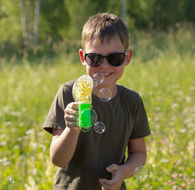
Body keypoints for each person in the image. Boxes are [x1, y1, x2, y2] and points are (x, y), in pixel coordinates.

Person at [43, 12, 151, 190]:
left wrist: (123, 172)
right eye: (95, 58)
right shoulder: (69, 93)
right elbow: (58, 159)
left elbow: (139, 153)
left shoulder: (131, 101)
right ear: (82, 57)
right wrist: (72, 128)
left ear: (127, 57)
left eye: (115, 58)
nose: (104, 66)